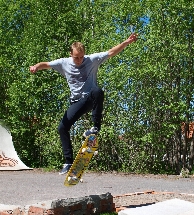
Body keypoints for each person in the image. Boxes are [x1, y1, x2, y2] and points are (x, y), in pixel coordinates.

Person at [30, 33, 138, 175]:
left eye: (81, 57)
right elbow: (46, 64)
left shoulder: (91, 59)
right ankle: (68, 162)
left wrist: (126, 42)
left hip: (89, 99)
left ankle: (95, 128)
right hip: (76, 102)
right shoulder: (63, 63)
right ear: (71, 54)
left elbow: (111, 52)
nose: (80, 60)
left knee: (97, 91)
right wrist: (36, 67)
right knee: (62, 128)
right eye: (76, 57)